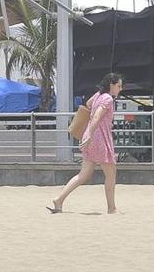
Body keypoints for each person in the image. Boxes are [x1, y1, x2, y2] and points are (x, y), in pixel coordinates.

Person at [49, 73, 122, 215]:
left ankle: (59, 199)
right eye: (118, 86)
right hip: (100, 138)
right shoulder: (107, 99)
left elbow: (88, 104)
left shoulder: (98, 96)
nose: (120, 89)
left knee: (83, 174)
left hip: (90, 138)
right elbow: (96, 116)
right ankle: (111, 208)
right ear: (111, 85)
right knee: (111, 174)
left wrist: (88, 134)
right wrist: (89, 134)